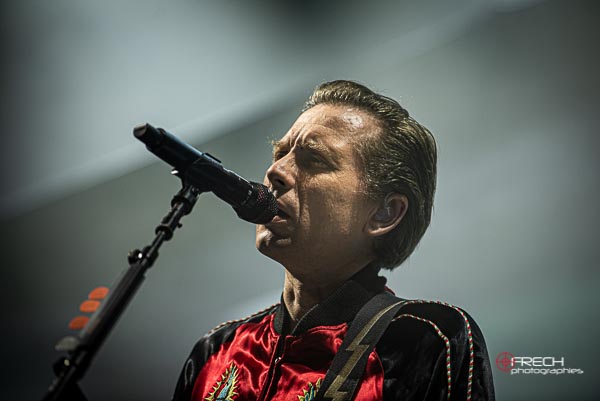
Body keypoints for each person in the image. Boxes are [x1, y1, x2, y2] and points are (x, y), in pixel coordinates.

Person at [172, 80, 495, 400]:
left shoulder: (424, 338)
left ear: (384, 214)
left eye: (314, 159)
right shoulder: (217, 350)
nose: (275, 171)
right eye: (280, 153)